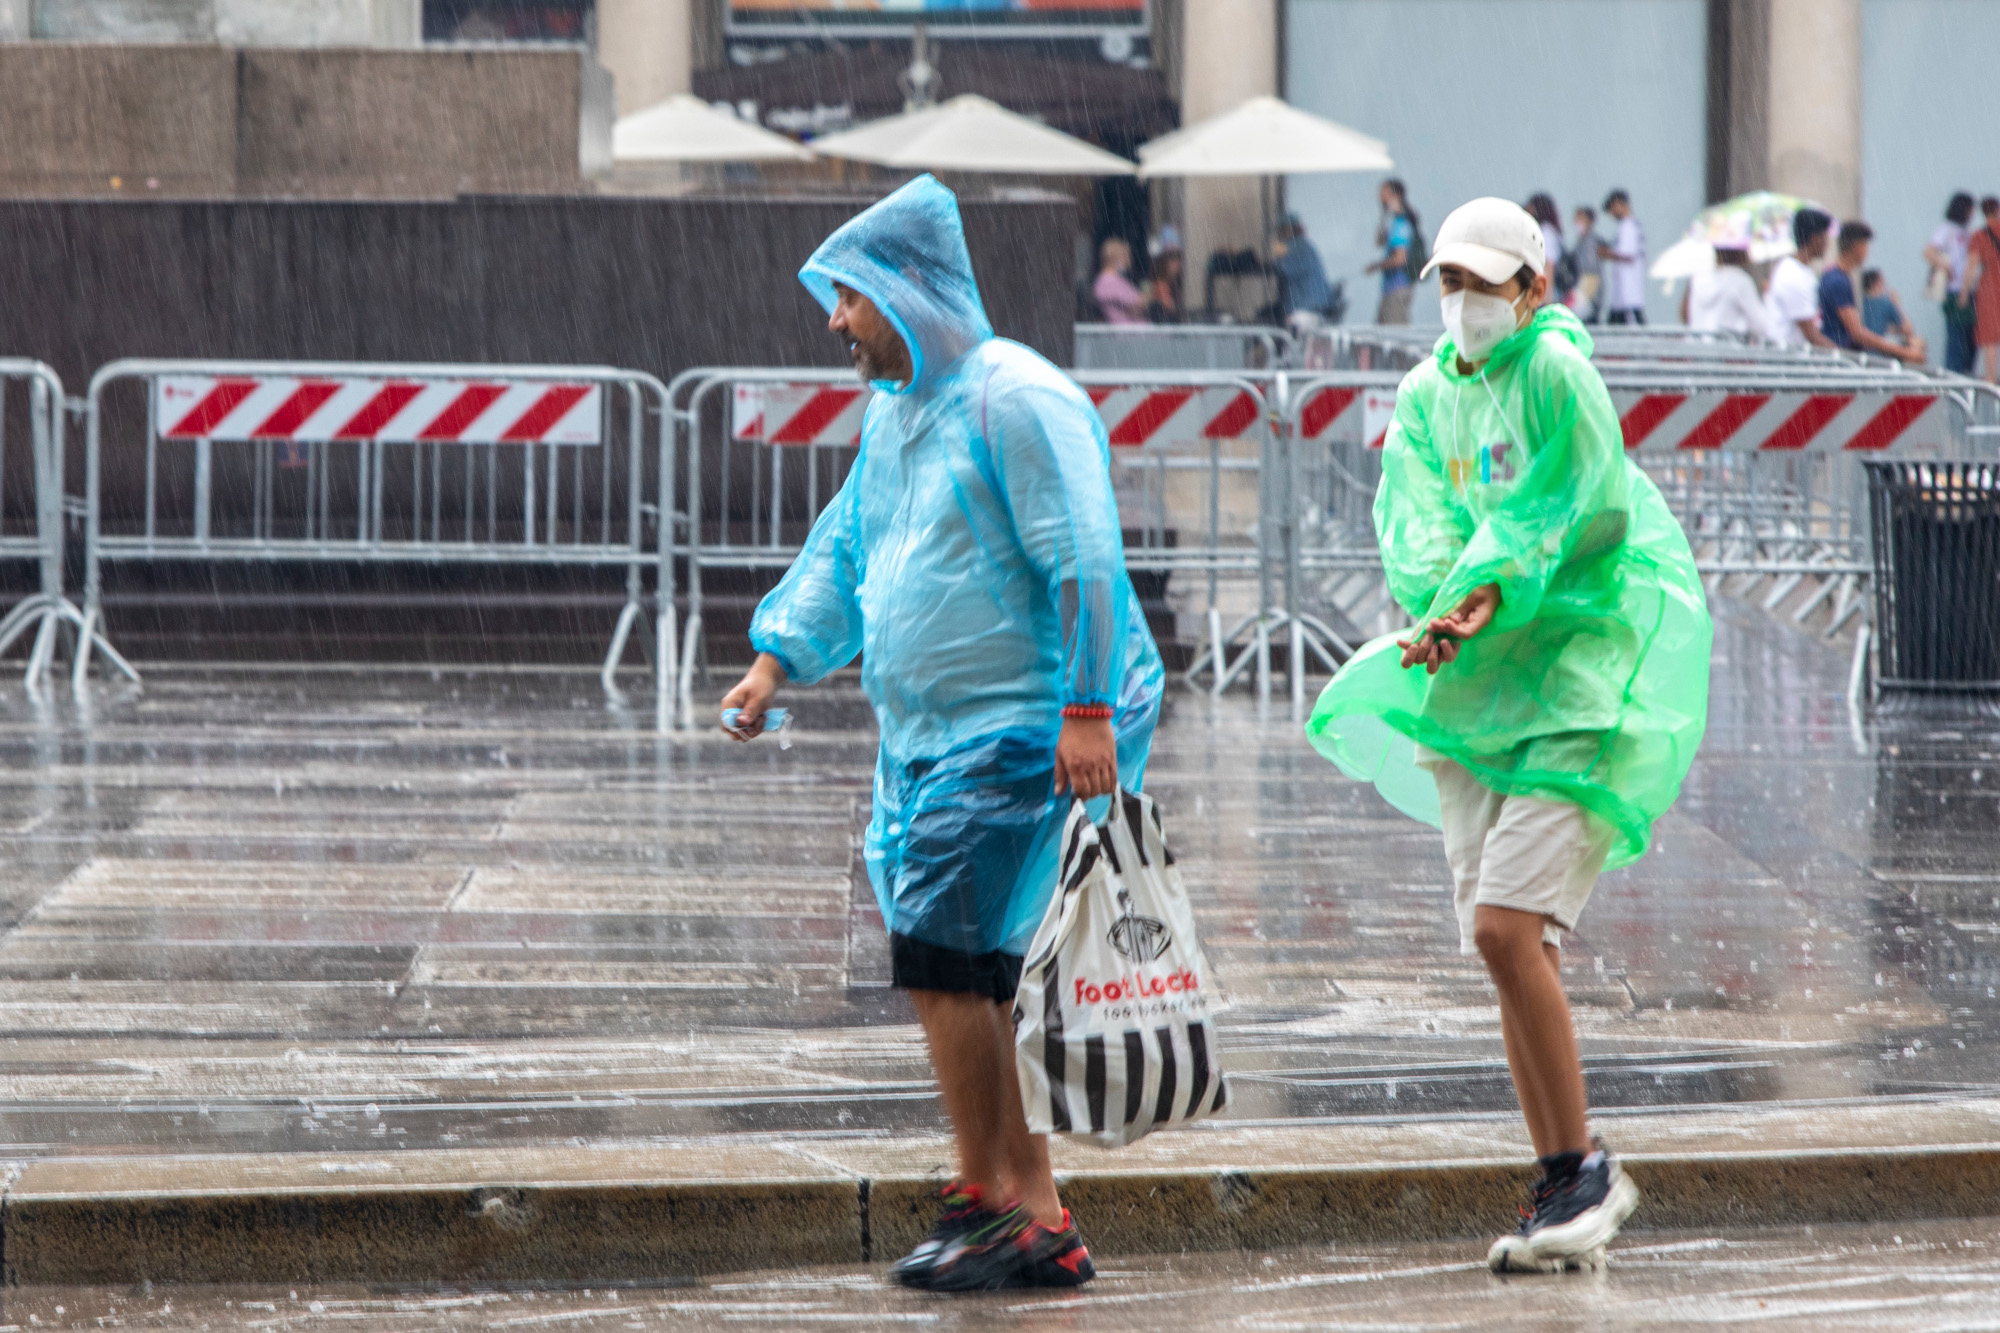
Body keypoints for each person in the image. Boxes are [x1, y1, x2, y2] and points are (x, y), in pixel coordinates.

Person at [722, 175, 1163, 1292]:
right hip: (929, 733)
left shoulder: (1012, 399)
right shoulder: (896, 417)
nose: (835, 322)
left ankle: (986, 1197)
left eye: (851, 299)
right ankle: (1034, 1211)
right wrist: (779, 656)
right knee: (971, 966)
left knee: (941, 948)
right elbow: (845, 550)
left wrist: (1085, 706)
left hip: (1020, 723)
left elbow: (1085, 556)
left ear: (907, 293)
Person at [1303, 196, 1711, 1274]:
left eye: (1485, 284)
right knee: (1506, 946)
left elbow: (1574, 502)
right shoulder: (1426, 391)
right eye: (1450, 281)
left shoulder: (1554, 374)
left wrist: (1490, 589)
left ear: (1531, 288)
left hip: (1581, 677)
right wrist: (1447, 602)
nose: (1463, 303)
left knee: (1499, 927)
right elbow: (1414, 517)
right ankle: (1562, 1181)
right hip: (1476, 689)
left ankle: (1581, 1169)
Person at [1819, 221, 1926, 363]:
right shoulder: (1838, 280)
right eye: (1866, 246)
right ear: (1857, 246)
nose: (1867, 252)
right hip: (1840, 357)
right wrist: (1905, 352)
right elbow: (1856, 333)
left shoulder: (1833, 275)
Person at [1764, 208, 1836, 350]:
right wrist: (1843, 357)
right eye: (1826, 237)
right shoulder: (1794, 276)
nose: (1828, 244)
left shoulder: (1798, 270)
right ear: (1816, 238)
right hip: (1787, 361)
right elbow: (1811, 335)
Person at [1926, 193, 1977, 373]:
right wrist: (1945, 266)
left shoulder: (1966, 232)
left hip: (1970, 291)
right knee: (1956, 340)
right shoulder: (1947, 229)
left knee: (1970, 342)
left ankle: (1963, 378)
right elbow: (1929, 252)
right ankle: (1953, 379)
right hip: (1954, 291)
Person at [1683, 246, 1771, 340]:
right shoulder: (1740, 280)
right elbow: (1762, 325)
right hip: (1728, 350)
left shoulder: (1699, 278)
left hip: (1697, 348)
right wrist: (1768, 296)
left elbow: (1686, 315)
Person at [1957, 197, 2000, 383]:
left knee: (1990, 337)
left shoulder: (1979, 236)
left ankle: (1990, 380)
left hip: (1989, 287)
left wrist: (1964, 294)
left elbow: (1972, 268)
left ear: (1983, 213)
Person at [1366, 179, 1420, 324]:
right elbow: (1379, 241)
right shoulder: (1395, 221)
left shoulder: (1401, 224)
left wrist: (1376, 266)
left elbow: (1400, 258)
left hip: (1398, 287)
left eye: (1384, 194)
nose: (1380, 198)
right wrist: (1385, 215)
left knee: (1393, 334)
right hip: (1392, 288)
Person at [1272, 212, 1335, 320]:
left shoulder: (1297, 247)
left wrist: (1277, 252)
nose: (1278, 235)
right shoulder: (1304, 245)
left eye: (1280, 231)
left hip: (1306, 308)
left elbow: (1283, 269)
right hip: (1314, 306)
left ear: (1288, 230)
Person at [1598, 190, 1647, 324]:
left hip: (1628, 294)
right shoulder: (1629, 226)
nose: (1612, 214)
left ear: (1621, 204)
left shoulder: (1629, 226)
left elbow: (1628, 255)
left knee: (1628, 332)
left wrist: (1606, 254)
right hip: (1623, 295)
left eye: (1612, 209)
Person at [1861, 269, 1922, 358]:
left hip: (1860, 351)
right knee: (1918, 344)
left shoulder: (1860, 302)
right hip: (1877, 352)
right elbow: (1908, 329)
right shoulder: (1884, 303)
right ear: (1878, 284)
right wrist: (1897, 304)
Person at [1092, 236, 1147, 325]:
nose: (1129, 261)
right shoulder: (1107, 281)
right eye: (1127, 256)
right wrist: (1148, 299)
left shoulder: (1115, 280)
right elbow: (1136, 304)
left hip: (1135, 331)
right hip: (1128, 333)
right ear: (1118, 257)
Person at [1525, 194, 1565, 306]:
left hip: (1544, 292)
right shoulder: (1544, 230)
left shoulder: (1546, 232)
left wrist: (1548, 298)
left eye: (1531, 208)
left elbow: (1549, 265)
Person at [1568, 206, 1604, 322]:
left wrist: (1582, 297)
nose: (1576, 223)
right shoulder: (1581, 241)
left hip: (1588, 291)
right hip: (1582, 288)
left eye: (1580, 219)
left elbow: (1590, 273)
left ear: (1590, 221)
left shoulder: (1591, 242)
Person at [1146, 226, 1184, 323]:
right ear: (1163, 262)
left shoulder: (1172, 283)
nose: (1178, 263)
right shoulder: (1160, 285)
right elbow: (1169, 307)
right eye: (1173, 259)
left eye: (1178, 258)